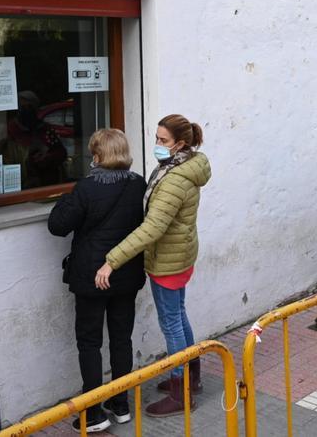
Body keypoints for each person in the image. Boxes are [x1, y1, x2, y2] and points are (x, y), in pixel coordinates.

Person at [99, 114, 211, 417]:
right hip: (179, 253)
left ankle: (180, 392)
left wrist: (112, 260)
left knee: (171, 323)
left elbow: (153, 228)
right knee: (179, 316)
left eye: (163, 141)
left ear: (180, 143)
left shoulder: (174, 178)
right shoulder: (182, 166)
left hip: (168, 260)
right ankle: (191, 377)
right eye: (157, 138)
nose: (157, 145)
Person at [48, 128, 146, 431]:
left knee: (89, 342)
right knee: (121, 338)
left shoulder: (86, 187)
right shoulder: (137, 183)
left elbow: (58, 226)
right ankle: (120, 405)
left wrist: (66, 197)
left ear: (98, 155)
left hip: (92, 276)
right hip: (126, 272)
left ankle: (92, 414)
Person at [0, 90, 68, 188]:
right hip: (20, 183)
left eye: (30, 107)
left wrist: (47, 157)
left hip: (46, 183)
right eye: (23, 107)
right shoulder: (9, 130)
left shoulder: (44, 129)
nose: (27, 110)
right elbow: (2, 156)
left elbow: (61, 152)